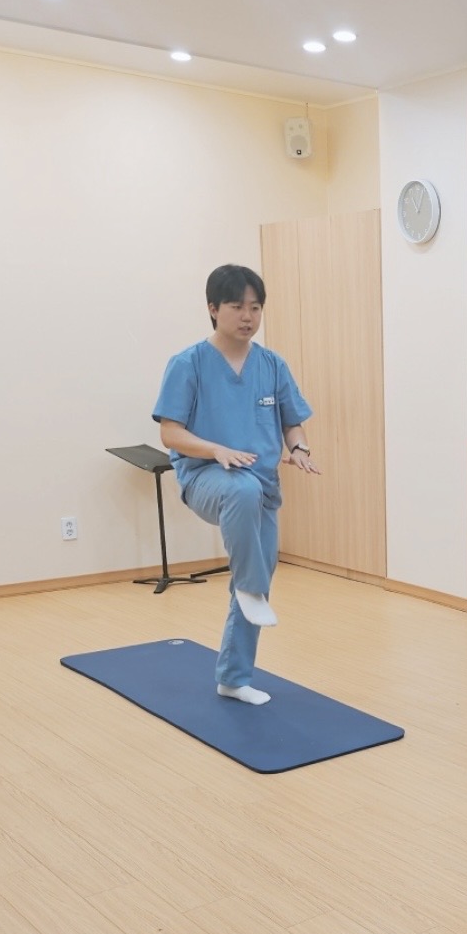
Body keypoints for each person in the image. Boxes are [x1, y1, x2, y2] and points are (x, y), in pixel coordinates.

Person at [153, 264, 318, 707]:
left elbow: (292, 422)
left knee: (257, 579)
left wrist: (299, 448)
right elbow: (169, 433)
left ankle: (233, 677)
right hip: (206, 477)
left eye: (256, 307)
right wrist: (215, 450)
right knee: (245, 526)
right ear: (213, 308)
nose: (248, 316)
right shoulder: (188, 364)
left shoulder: (272, 365)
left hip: (262, 485)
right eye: (237, 306)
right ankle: (248, 586)